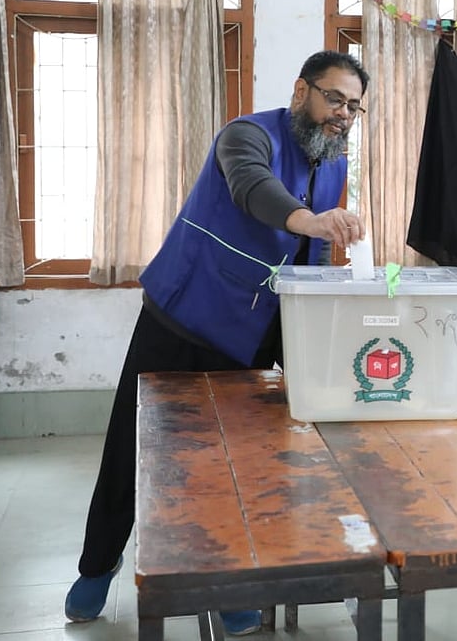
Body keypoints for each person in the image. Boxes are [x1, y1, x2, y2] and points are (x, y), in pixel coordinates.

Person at [65, 50, 369, 633]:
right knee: (133, 453)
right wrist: (310, 220)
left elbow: (315, 255)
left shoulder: (333, 157)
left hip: (254, 330)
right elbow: (252, 189)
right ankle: (96, 568)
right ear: (301, 88)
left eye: (354, 107)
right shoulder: (247, 134)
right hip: (183, 316)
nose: (343, 114)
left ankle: (230, 582)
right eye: (334, 98)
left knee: (240, 466)